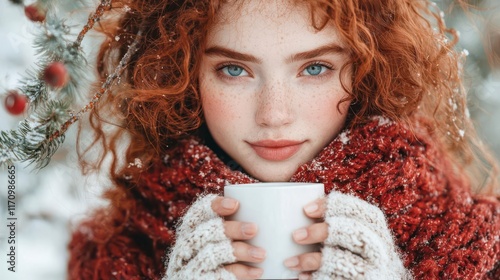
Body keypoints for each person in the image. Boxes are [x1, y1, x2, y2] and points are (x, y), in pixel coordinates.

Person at [68, 0, 500, 279]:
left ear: (368, 69)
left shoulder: (475, 246)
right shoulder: (114, 254)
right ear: (182, 75)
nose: (273, 115)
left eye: (314, 68)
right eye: (234, 70)